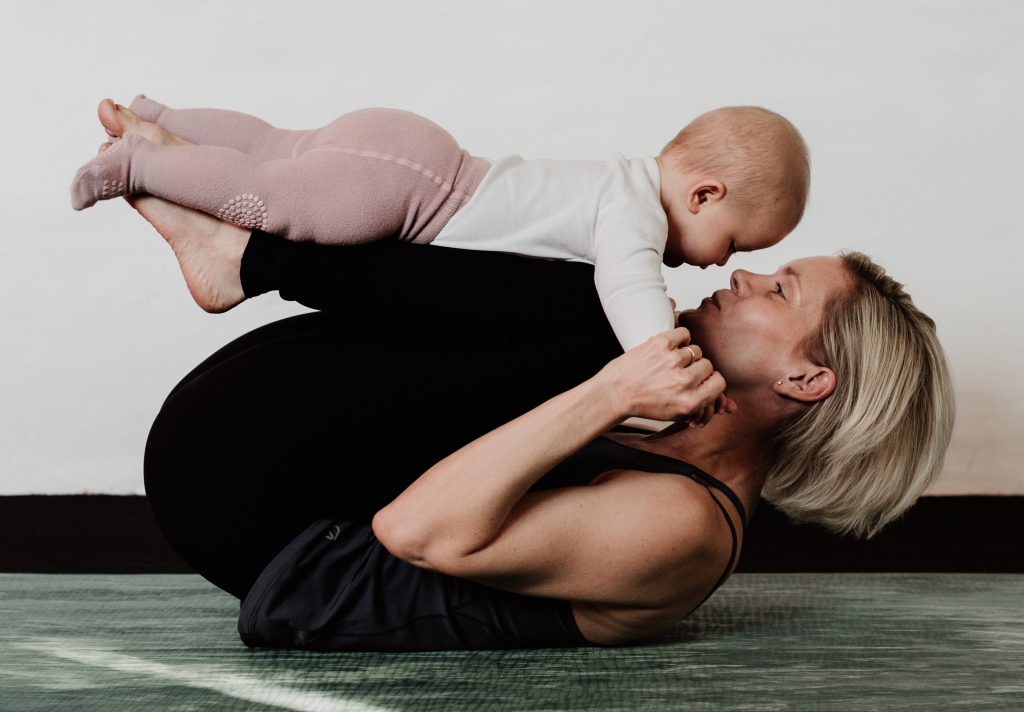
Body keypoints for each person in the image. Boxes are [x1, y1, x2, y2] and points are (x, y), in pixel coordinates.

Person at [102, 127, 951, 652]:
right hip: (277, 474)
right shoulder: (672, 416)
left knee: (594, 323)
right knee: (598, 287)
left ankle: (249, 260)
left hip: (277, 542)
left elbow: (415, 531)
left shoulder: (686, 527)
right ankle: (251, 253)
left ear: (806, 376)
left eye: (781, 291)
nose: (744, 272)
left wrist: (610, 390)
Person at [72, 96, 809, 350]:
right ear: (705, 196)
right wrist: (661, 353)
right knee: (267, 198)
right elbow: (628, 285)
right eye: (737, 244)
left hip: (414, 146)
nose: (720, 263)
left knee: (274, 145)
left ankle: (164, 120)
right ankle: (137, 167)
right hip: (402, 191)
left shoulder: (618, 178)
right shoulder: (635, 214)